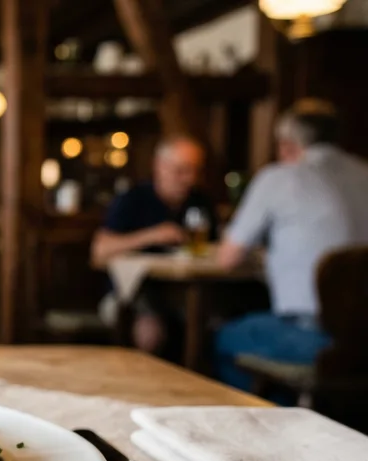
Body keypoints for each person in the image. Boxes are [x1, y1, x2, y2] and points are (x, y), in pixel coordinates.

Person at [214, 101, 368, 390]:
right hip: (362, 337)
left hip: (314, 335)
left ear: (288, 144)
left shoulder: (279, 178)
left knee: (224, 339)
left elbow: (227, 258)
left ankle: (278, 421)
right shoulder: (364, 172)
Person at [91, 135, 217, 354]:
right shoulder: (133, 199)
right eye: (181, 170)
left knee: (214, 324)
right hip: (132, 292)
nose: (188, 179)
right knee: (151, 330)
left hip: (185, 292)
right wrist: (151, 236)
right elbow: (99, 251)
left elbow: (214, 249)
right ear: (159, 166)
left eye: (194, 171)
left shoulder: (200, 202)